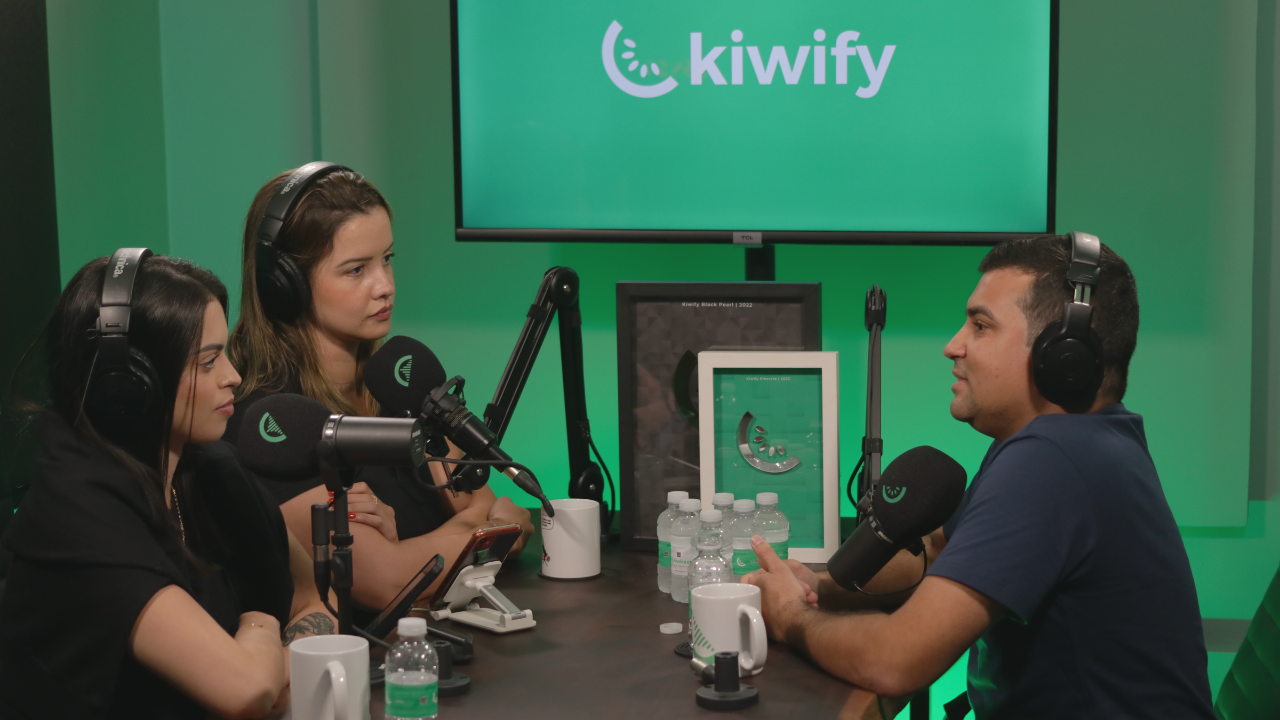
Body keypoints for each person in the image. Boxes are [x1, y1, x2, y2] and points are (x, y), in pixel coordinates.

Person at [744, 234, 1214, 719]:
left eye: (981, 326)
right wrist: (817, 586)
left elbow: (896, 660)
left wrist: (790, 616)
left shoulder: (1053, 459)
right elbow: (937, 553)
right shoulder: (1076, 442)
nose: (953, 346)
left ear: (1062, 355)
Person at [0, 251, 335, 719]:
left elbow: (314, 598)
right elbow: (245, 689)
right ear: (130, 385)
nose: (234, 377)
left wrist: (272, 663)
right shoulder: (75, 512)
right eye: (208, 362)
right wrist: (261, 622)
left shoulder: (213, 471)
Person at [224, 165, 534, 622]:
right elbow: (388, 581)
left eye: (386, 259)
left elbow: (480, 499)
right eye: (356, 270)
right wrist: (489, 531)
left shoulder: (402, 384)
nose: (385, 286)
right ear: (285, 284)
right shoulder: (272, 426)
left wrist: (455, 536)